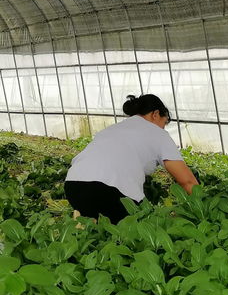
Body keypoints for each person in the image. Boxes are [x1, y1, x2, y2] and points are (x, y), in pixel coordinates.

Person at [64, 94, 198, 224]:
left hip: (73, 185)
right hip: (109, 190)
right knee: (138, 231)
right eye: (164, 122)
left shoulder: (113, 129)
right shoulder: (158, 133)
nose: (163, 128)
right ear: (155, 114)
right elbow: (187, 181)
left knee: (99, 232)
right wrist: (202, 208)